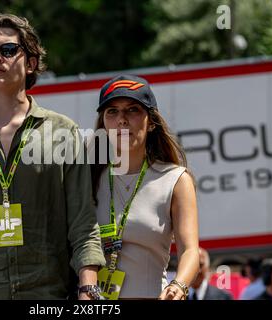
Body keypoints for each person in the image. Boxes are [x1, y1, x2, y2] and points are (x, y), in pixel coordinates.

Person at [0, 13, 105, 300]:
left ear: (31, 63)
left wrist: (88, 286)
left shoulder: (63, 131)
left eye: (9, 50)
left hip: (46, 293)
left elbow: (83, 220)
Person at [91, 74, 199, 300]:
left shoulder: (176, 179)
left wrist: (179, 285)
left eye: (132, 110)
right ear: (103, 124)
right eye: (112, 111)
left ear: (151, 123)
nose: (122, 119)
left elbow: (190, 251)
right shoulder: (89, 178)